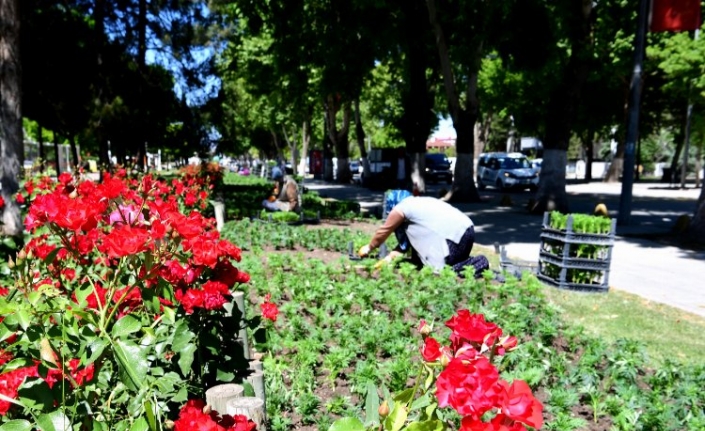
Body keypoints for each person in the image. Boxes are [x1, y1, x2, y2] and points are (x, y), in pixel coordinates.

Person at [358, 192, 489, 277]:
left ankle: (479, 263)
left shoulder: (402, 207)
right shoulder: (418, 204)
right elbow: (405, 246)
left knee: (441, 273)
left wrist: (369, 247)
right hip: (467, 231)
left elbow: (384, 231)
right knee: (428, 260)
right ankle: (470, 263)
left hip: (453, 238)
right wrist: (388, 259)